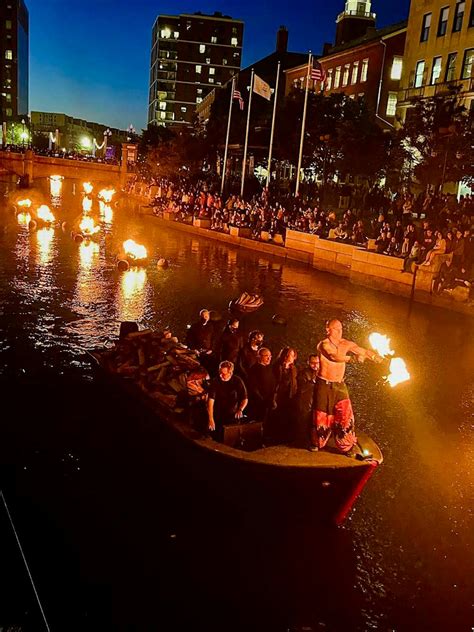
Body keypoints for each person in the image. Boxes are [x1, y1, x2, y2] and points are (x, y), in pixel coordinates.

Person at [310, 319, 382, 455]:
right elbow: (333, 356)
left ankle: (346, 446)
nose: (338, 331)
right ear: (328, 330)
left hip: (339, 385)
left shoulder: (346, 343)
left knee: (345, 414)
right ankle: (317, 443)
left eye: (340, 329)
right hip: (323, 384)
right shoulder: (323, 345)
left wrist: (374, 357)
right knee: (321, 416)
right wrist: (353, 359)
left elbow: (362, 351)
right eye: (335, 329)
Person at [207, 361, 248, 441]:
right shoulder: (215, 381)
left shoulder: (237, 381)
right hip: (218, 414)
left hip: (232, 415)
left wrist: (240, 409)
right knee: (217, 437)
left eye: (224, 374)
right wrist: (211, 419)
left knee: (231, 438)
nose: (221, 375)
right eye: (220, 373)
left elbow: (244, 398)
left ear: (230, 372)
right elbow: (210, 402)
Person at [272, 347, 298, 443]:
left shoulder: (293, 368)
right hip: (279, 396)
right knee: (278, 417)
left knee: (288, 417)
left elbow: (294, 382)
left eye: (292, 355)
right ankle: (276, 438)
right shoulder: (277, 367)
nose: (291, 357)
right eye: (289, 355)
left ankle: (286, 438)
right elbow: (275, 382)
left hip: (290, 396)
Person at [247, 347, 277, 424]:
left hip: (268, 402)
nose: (269, 358)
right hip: (258, 403)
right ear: (259, 356)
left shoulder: (270, 368)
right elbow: (253, 387)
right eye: (266, 355)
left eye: (270, 356)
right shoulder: (254, 369)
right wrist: (262, 400)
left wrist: (272, 398)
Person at [296, 355, 319, 448]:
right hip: (307, 401)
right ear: (308, 363)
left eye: (317, 363)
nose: (315, 365)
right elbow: (301, 387)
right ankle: (305, 442)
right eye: (313, 363)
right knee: (306, 422)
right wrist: (312, 382)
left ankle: (316, 441)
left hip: (317, 401)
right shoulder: (304, 373)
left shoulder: (321, 372)